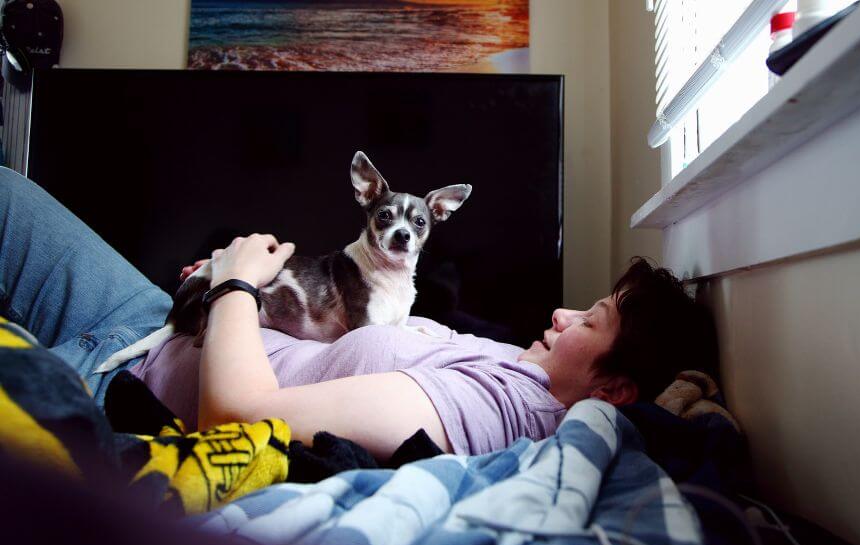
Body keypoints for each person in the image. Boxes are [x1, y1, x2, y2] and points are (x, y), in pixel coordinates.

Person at [0, 168, 716, 462]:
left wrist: (237, 283)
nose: (561, 314)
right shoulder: (504, 358)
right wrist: (224, 279)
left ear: (613, 389)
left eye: (589, 321)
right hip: (154, 317)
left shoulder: (493, 404)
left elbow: (239, 414)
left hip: (120, 372)